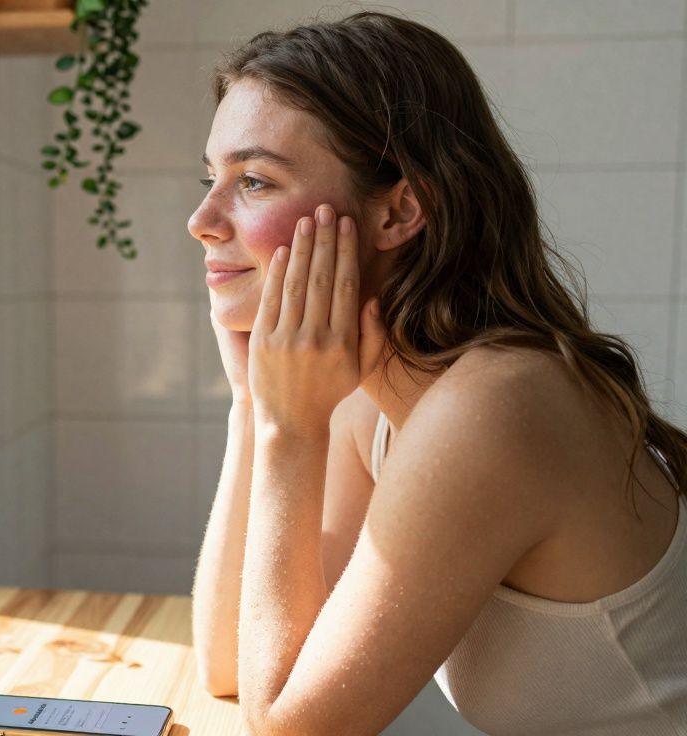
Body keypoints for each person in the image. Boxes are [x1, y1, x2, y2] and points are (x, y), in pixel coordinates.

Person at [188, 11, 687, 735]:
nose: (202, 219)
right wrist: (251, 404)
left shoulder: (497, 406)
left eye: (254, 180)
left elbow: (293, 732)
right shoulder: (376, 404)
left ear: (399, 211)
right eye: (211, 178)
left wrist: (288, 430)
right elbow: (230, 666)